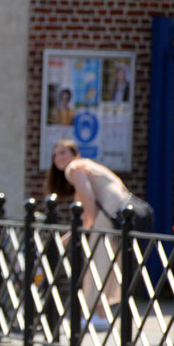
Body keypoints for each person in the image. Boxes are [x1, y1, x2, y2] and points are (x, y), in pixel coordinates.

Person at [45, 139, 131, 331]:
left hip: (108, 214)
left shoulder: (74, 168)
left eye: (63, 153)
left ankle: (96, 314)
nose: (58, 158)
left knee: (97, 261)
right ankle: (99, 313)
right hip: (117, 213)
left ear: (75, 154)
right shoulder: (87, 167)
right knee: (105, 261)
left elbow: (88, 199)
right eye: (55, 154)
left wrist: (88, 226)